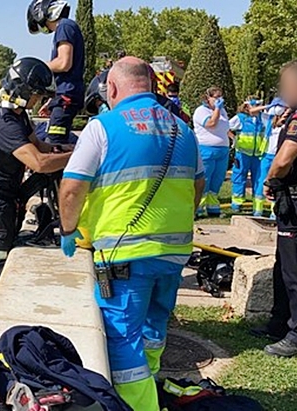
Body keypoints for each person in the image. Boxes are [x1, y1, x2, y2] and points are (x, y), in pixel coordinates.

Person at [58, 57, 205, 410]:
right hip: (174, 251)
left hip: (124, 254)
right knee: (156, 323)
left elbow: (72, 189)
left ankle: (140, 405)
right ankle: (151, 380)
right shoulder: (182, 130)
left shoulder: (102, 126)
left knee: (122, 337)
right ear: (152, 86)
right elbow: (198, 185)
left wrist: (68, 230)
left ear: (111, 88)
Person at [0, 57, 73, 301]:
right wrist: (77, 156)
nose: (40, 101)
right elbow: (37, 162)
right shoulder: (5, 121)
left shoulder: (19, 116)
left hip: (6, 202)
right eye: (37, 95)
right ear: (23, 90)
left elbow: (40, 145)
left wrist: (68, 148)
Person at [259, 60, 297, 358]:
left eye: (286, 85)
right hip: (296, 202)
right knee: (285, 264)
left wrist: (270, 181)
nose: (283, 91)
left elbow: (283, 159)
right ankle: (280, 323)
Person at [27, 0, 85, 144]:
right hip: (64, 97)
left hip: (66, 96)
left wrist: (37, 67)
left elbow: (64, 63)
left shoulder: (64, 26)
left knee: (54, 142)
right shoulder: (67, 26)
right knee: (58, 140)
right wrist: (53, 101)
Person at [193, 86, 231, 217]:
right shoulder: (201, 111)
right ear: (208, 98)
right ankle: (198, 208)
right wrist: (217, 110)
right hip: (206, 149)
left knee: (217, 179)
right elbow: (211, 123)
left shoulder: (223, 111)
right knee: (205, 179)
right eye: (216, 97)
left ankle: (213, 207)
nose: (219, 99)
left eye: (221, 96)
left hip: (222, 150)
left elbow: (226, 127)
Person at [228, 99, 269, 215]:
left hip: (258, 155)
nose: (257, 107)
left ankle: (257, 207)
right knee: (239, 177)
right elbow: (226, 127)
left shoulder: (263, 118)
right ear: (247, 107)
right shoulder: (241, 118)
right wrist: (234, 139)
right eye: (255, 105)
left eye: (258, 105)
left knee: (259, 179)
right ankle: (237, 204)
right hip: (242, 153)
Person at [257, 98, 289, 218]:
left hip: (278, 156)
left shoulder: (287, 123)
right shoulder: (268, 121)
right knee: (263, 181)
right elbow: (253, 111)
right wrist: (268, 105)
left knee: (276, 183)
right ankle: (258, 209)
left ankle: (274, 211)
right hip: (267, 155)